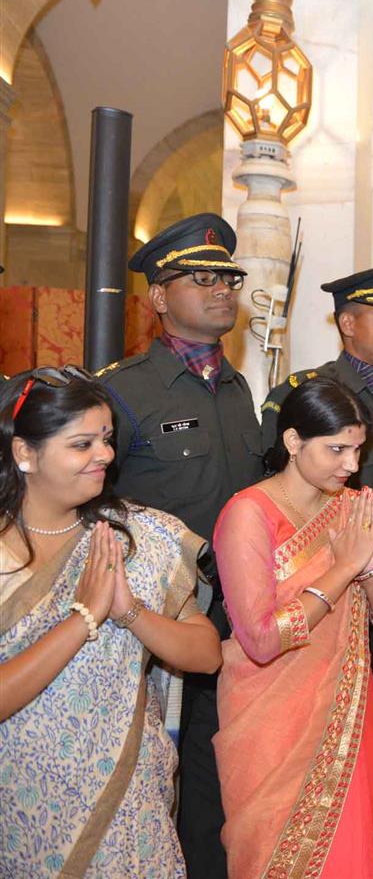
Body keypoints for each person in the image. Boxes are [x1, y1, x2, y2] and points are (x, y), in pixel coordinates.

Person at [1, 368, 221, 876]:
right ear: (24, 453)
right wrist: (83, 618)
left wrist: (129, 612)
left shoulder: (140, 537)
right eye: (82, 443)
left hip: (130, 804)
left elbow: (207, 654)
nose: (104, 455)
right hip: (23, 812)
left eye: (106, 438)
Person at [96, 213, 263, 879]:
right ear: (159, 297)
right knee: (148, 777)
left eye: (227, 276)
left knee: (217, 768)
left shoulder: (237, 387)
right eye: (200, 278)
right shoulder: (122, 389)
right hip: (149, 623)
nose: (221, 289)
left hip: (235, 616)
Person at [260, 262, 373, 874]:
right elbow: (276, 500)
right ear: (346, 322)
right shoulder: (306, 393)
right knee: (318, 744)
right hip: (322, 600)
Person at [212, 377, 373, 879]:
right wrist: (342, 569)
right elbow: (263, 640)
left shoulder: (355, 509)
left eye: (357, 450)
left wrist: (371, 566)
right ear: (292, 442)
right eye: (336, 450)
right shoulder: (248, 514)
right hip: (268, 723)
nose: (351, 466)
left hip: (345, 716)